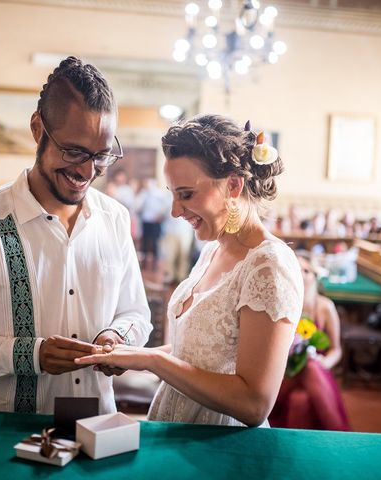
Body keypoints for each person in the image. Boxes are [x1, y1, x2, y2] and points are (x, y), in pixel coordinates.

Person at [0, 56, 152, 415]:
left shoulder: (115, 218)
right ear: (37, 128)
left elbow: (137, 313)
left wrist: (119, 337)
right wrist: (31, 354)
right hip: (7, 438)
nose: (88, 170)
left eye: (102, 156)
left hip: (97, 424)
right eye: (74, 151)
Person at [75, 114, 303, 427]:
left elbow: (254, 404)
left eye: (186, 194)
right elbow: (199, 352)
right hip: (177, 425)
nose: (174, 211)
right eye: (172, 193)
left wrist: (153, 361)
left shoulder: (269, 265)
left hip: (219, 442)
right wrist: (132, 355)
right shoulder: (213, 250)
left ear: (234, 184)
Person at [268, 253, 350, 431]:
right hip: (284, 375)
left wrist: (324, 363)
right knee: (309, 368)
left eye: (307, 270)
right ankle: (340, 436)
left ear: (314, 275)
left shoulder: (325, 306)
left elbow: (336, 350)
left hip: (316, 373)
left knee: (301, 400)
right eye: (297, 269)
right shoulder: (278, 304)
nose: (303, 274)